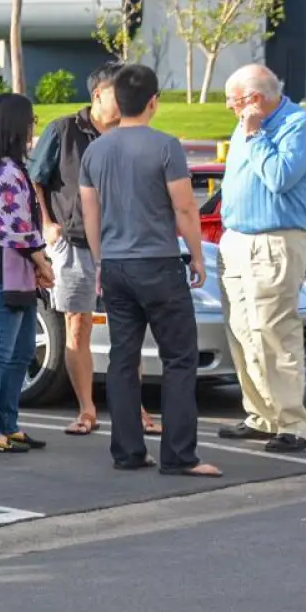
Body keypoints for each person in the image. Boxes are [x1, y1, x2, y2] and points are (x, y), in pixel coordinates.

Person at [79, 64, 221, 477]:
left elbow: (91, 212)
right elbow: (184, 206)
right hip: (158, 262)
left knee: (124, 359)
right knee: (179, 358)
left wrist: (100, 259)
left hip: (117, 265)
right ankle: (179, 455)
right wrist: (196, 255)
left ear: (115, 101)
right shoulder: (165, 146)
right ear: (154, 102)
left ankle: (128, 451)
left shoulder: (96, 150)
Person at [28, 62, 158, 439]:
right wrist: (47, 224)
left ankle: (135, 408)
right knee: (78, 325)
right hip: (74, 242)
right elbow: (34, 181)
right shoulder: (63, 130)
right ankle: (87, 409)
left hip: (124, 244)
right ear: (98, 93)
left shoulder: (133, 132)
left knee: (128, 329)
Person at [215, 64, 306, 454]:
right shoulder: (245, 125)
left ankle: (292, 422)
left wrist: (256, 133)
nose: (230, 108)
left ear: (255, 99)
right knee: (243, 333)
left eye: (234, 101)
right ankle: (261, 414)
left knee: (275, 333)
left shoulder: (296, 124)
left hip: (273, 241)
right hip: (237, 240)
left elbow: (280, 177)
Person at [0, 92, 56, 453]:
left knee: (21, 352)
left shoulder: (11, 166)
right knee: (1, 352)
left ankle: (8, 423)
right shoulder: (4, 170)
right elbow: (15, 227)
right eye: (30, 120)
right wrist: (42, 261)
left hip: (16, 270)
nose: (32, 127)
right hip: (5, 271)